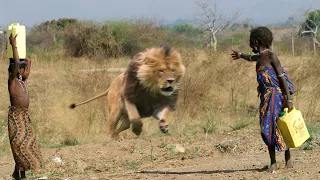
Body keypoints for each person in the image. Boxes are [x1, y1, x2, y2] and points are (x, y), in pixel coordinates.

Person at [231, 27, 296, 173]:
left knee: (280, 126)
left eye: (250, 42)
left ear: (256, 41)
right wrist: (241, 55)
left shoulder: (271, 56)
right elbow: (250, 57)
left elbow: (282, 78)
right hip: (266, 99)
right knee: (267, 128)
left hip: (276, 97)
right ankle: (273, 161)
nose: (250, 45)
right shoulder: (260, 57)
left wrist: (289, 100)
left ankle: (286, 159)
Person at [7, 33, 44, 179]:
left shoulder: (22, 81)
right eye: (22, 70)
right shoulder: (12, 81)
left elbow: (29, 61)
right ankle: (20, 172)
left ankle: (19, 173)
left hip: (24, 117)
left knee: (25, 143)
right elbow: (17, 64)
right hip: (17, 118)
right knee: (20, 145)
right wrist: (14, 45)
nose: (25, 71)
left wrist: (25, 57)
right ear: (16, 71)